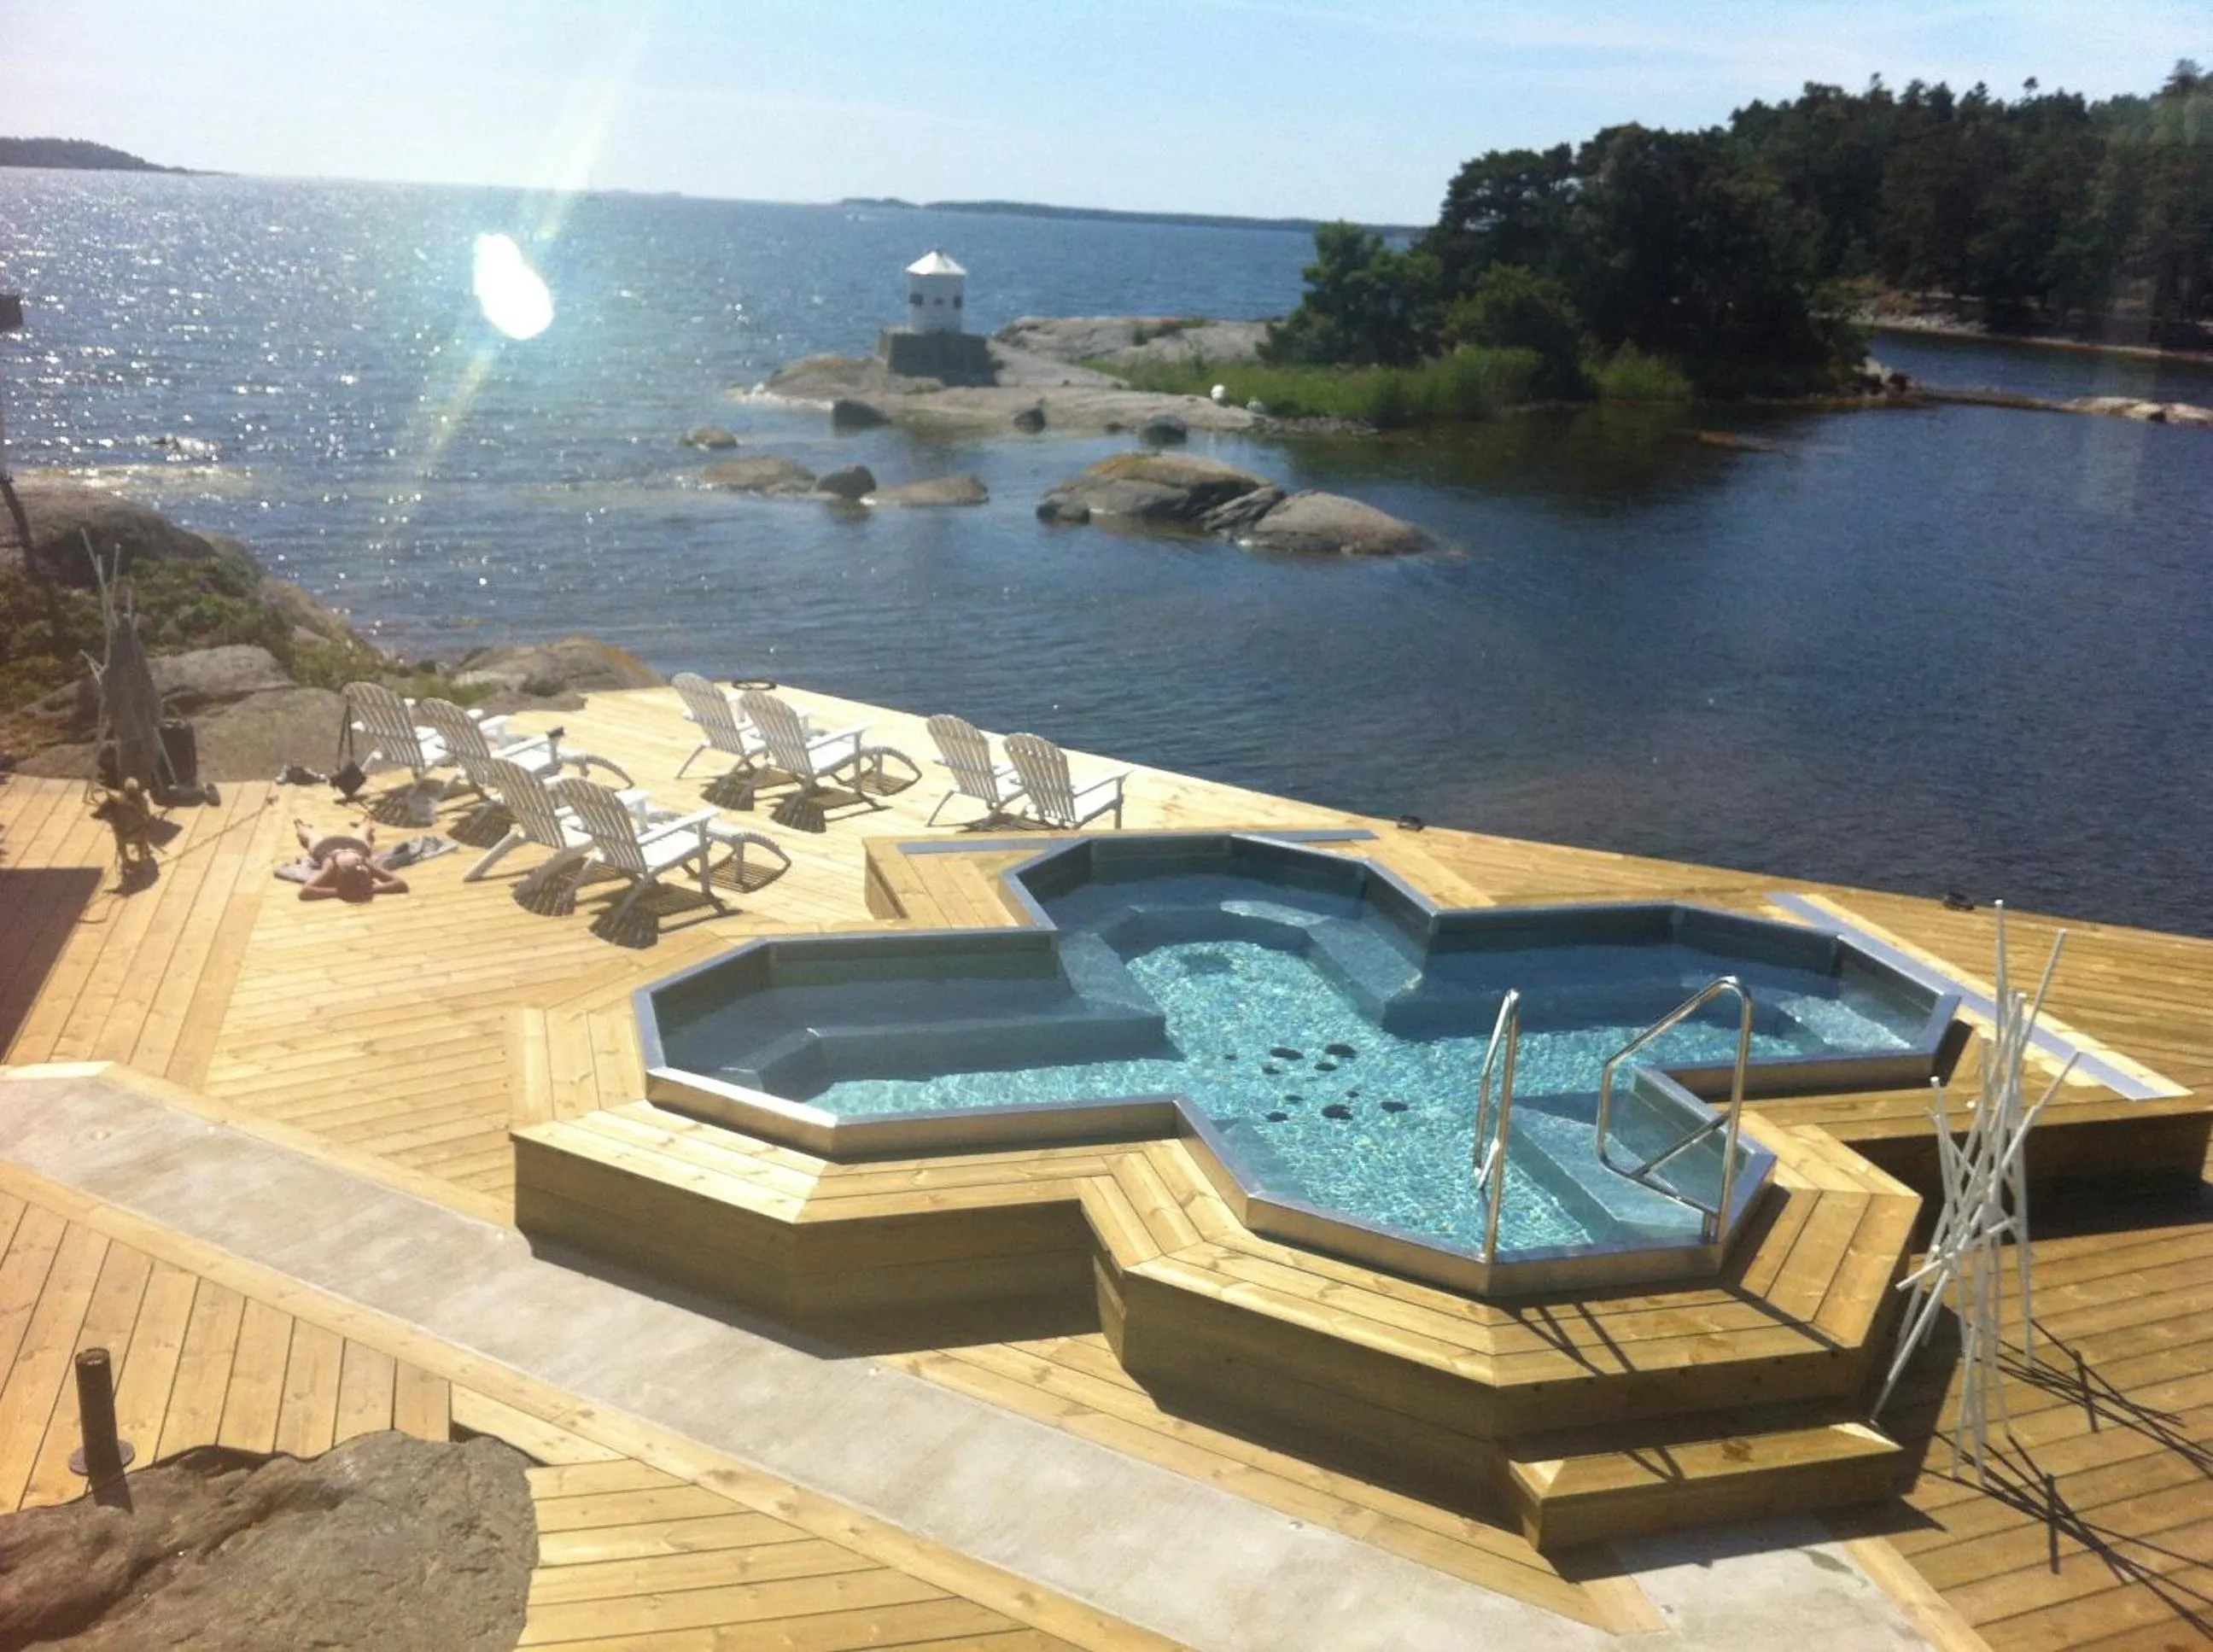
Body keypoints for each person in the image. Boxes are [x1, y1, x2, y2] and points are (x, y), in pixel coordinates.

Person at [295, 817, 408, 902]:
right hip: (335, 846)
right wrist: (370, 889)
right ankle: (300, 825)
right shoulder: (334, 866)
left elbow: (306, 891)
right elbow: (305, 892)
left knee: (310, 836)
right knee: (310, 837)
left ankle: (300, 825)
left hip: (345, 846)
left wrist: (342, 892)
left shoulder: (361, 865)